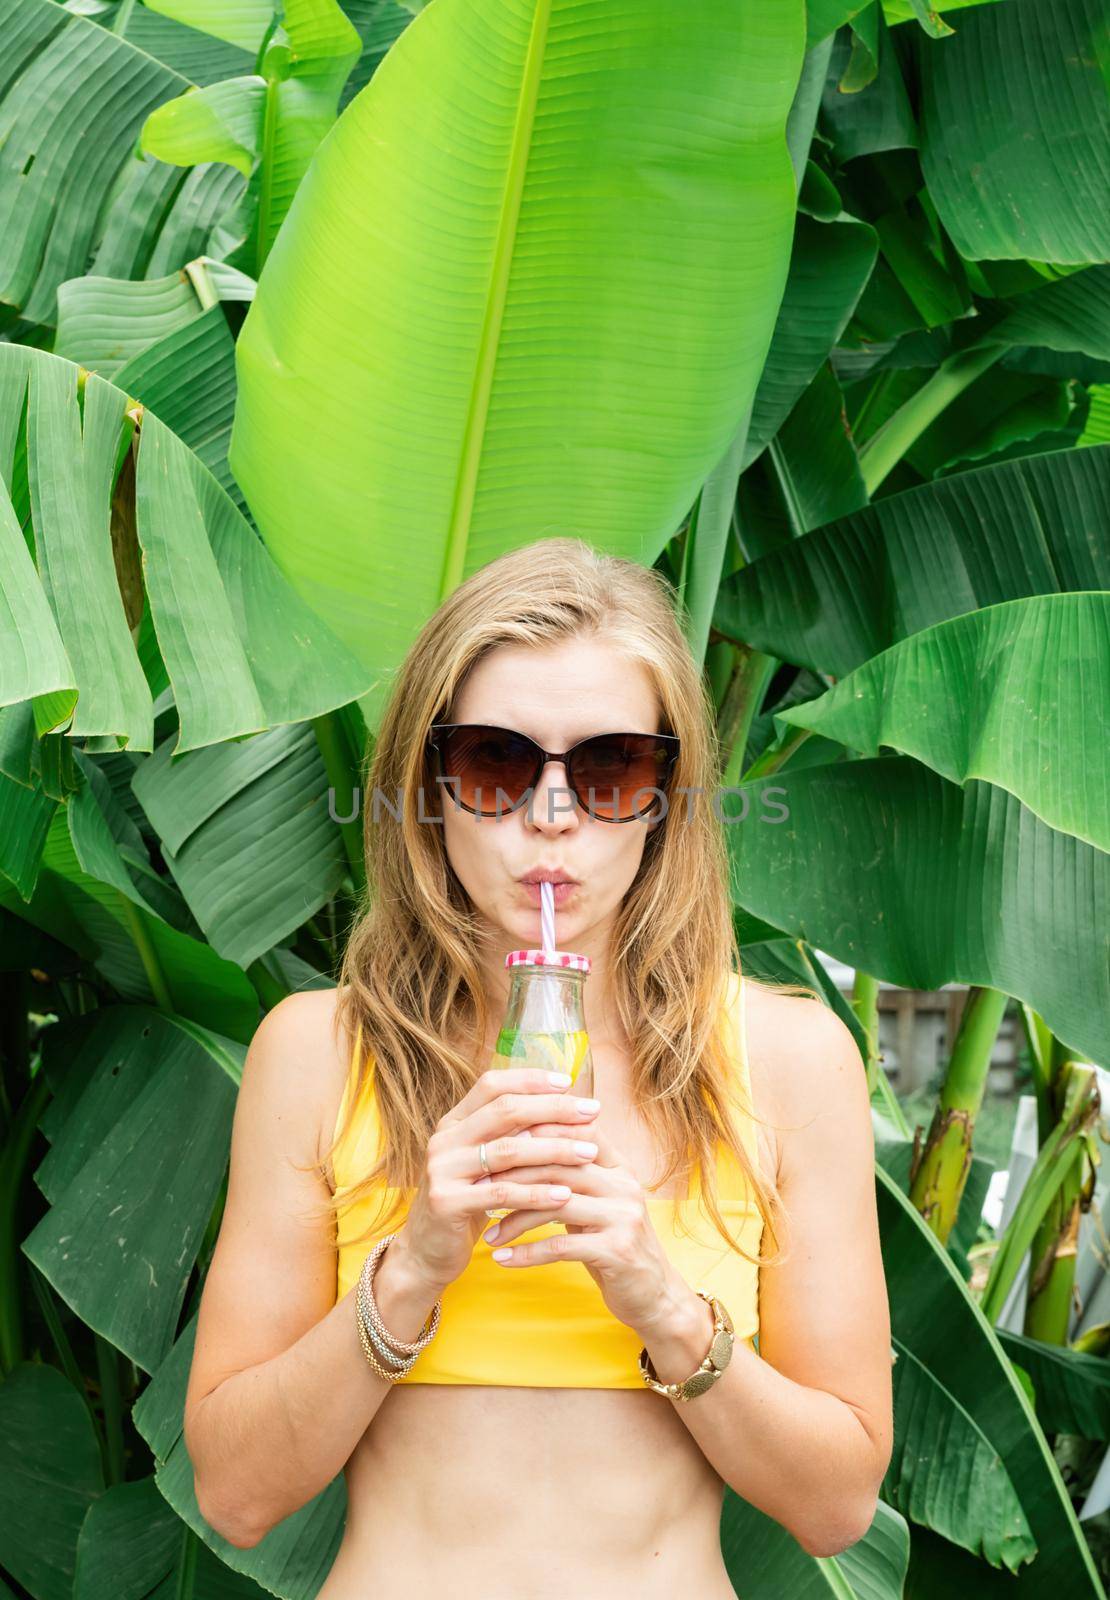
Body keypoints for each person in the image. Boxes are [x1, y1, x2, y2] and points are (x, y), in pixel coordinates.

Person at [183, 539, 893, 1598]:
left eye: (610, 767)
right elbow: (237, 1496)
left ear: (667, 793)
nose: (549, 815)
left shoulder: (790, 1062)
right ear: (428, 785)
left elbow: (837, 1506)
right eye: (495, 764)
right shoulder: (320, 1051)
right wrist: (413, 1264)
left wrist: (663, 1303)